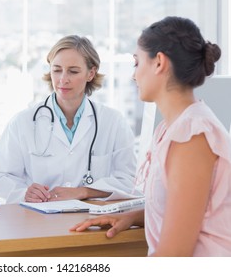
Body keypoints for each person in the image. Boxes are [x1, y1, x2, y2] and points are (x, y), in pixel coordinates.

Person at [71, 16, 231, 256]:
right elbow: (186, 208)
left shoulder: (192, 137)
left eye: (137, 63)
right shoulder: (170, 129)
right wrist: (134, 217)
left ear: (159, 63)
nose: (134, 76)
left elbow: (174, 256)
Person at [0, 35, 142, 204]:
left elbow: (129, 180)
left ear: (91, 73)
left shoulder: (113, 122)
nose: (63, 79)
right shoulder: (22, 122)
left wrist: (83, 192)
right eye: (57, 70)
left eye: (73, 71)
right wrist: (25, 193)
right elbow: (0, 177)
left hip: (92, 221)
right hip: (38, 222)